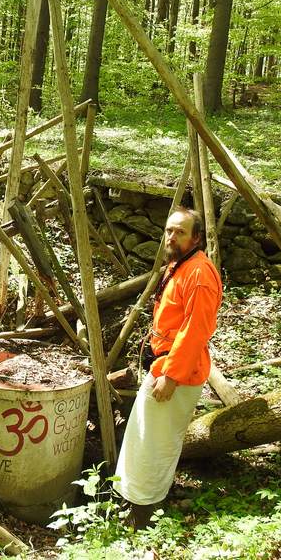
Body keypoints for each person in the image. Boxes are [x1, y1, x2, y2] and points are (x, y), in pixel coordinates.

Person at [113, 206, 223, 528]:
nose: (172, 236)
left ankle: (141, 517)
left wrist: (171, 376)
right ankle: (131, 503)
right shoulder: (181, 265)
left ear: (197, 238)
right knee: (142, 439)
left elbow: (195, 330)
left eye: (180, 232)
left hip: (177, 373)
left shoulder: (200, 274)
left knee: (155, 445)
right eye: (169, 230)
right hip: (164, 367)